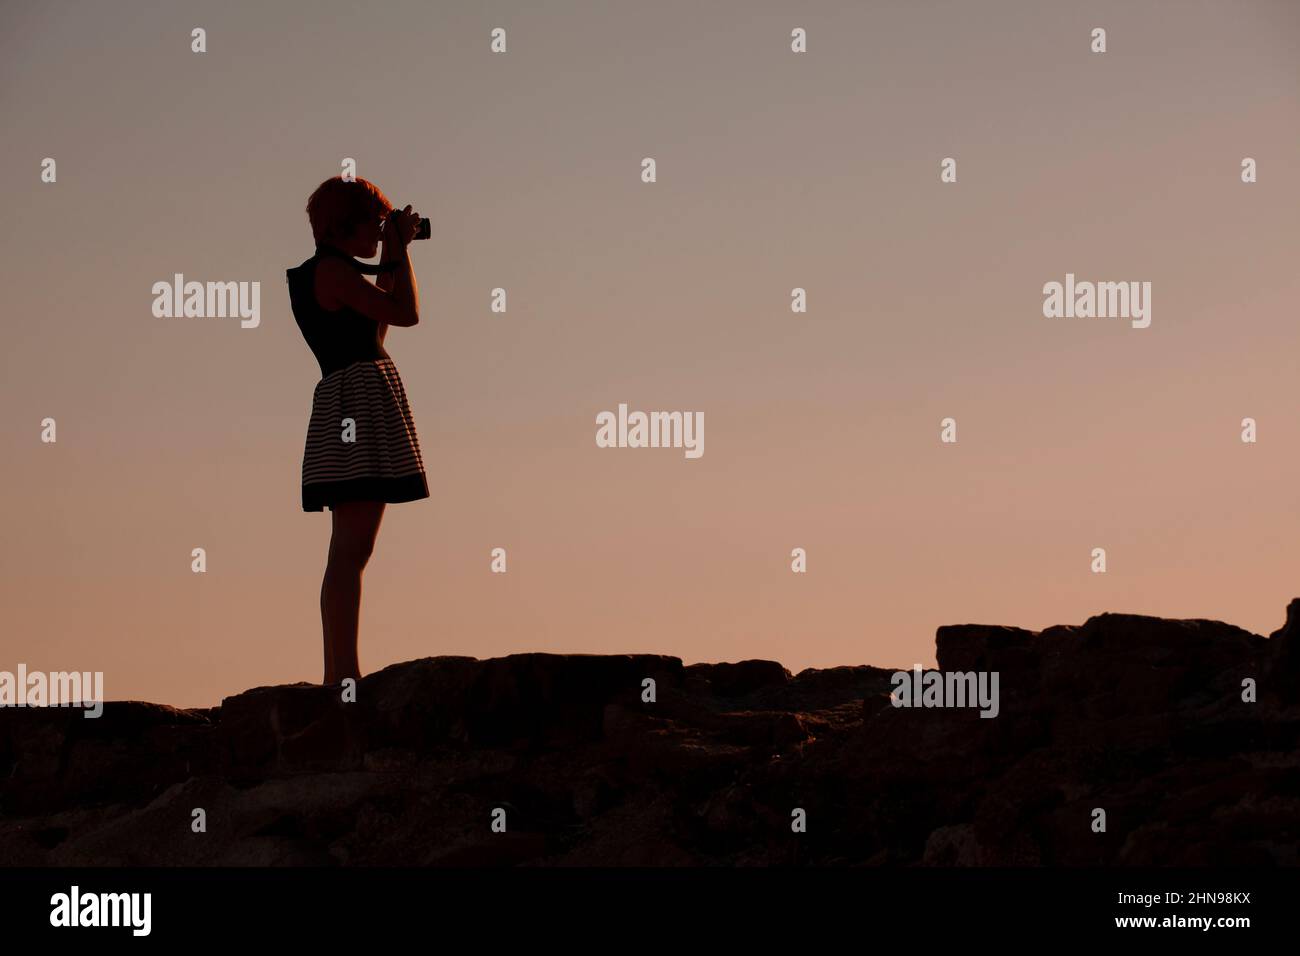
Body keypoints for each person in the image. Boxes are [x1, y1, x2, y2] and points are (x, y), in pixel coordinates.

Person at [285, 176, 429, 685]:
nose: (379, 231)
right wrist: (398, 253)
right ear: (348, 225)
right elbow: (407, 314)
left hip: (348, 397)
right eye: (374, 222)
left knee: (350, 550)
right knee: (350, 551)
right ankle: (340, 674)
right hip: (356, 402)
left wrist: (392, 253)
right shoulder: (332, 271)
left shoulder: (324, 273)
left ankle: (339, 671)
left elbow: (377, 327)